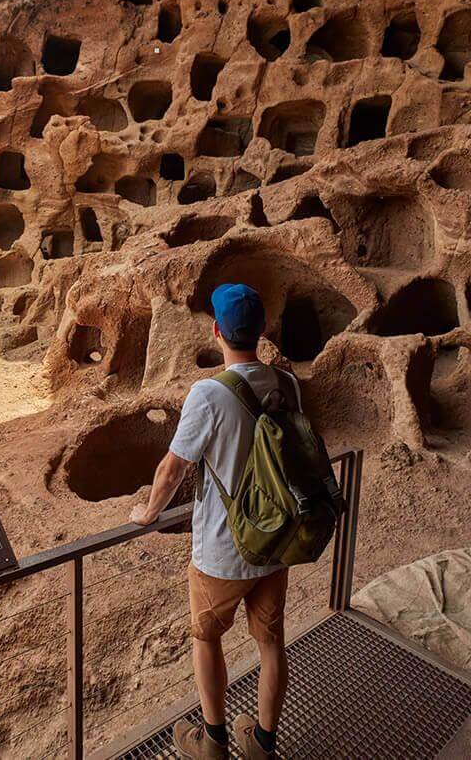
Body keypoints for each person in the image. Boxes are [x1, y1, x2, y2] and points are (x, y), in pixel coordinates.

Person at [130, 283, 296, 759]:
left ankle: (214, 741)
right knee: (270, 644)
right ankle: (263, 742)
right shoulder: (287, 384)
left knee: (206, 637)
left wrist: (148, 514)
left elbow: (172, 468)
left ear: (217, 330)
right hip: (276, 541)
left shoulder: (208, 394)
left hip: (223, 549)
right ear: (262, 331)